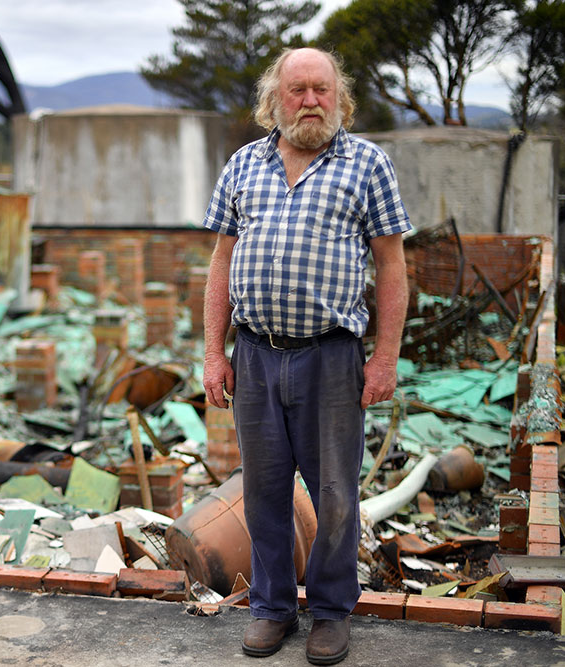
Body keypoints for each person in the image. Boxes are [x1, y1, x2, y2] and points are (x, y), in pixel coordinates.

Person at [201, 47, 411, 665]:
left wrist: (386, 357)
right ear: (276, 99)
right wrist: (214, 354)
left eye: (322, 89)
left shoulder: (368, 164)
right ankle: (270, 608)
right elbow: (220, 262)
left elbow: (392, 266)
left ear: (339, 97)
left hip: (331, 358)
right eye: (298, 90)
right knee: (264, 491)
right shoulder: (244, 165)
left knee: (336, 494)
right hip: (258, 356)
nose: (311, 101)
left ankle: (329, 612)